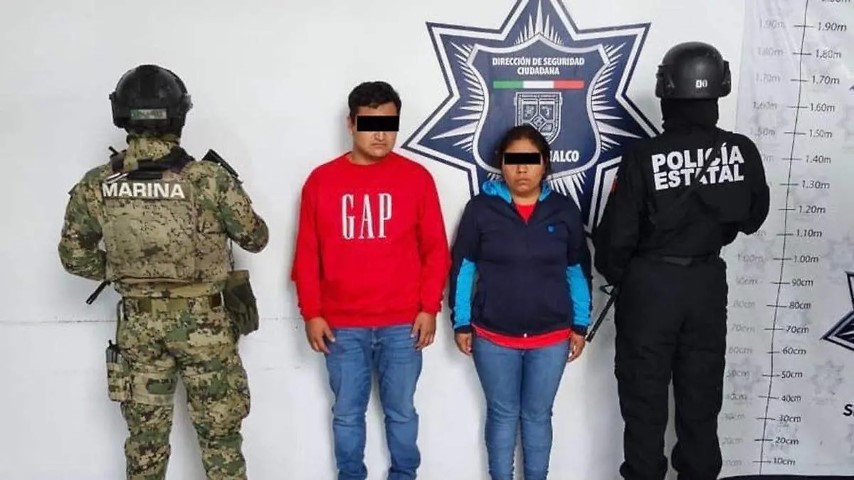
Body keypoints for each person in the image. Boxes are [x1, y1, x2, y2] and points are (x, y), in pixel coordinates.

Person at [58, 64, 269, 480]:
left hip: (139, 329)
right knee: (220, 439)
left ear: (121, 115)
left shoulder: (98, 183)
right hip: (205, 328)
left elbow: (73, 256)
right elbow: (255, 238)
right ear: (179, 115)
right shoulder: (209, 180)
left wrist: (123, 269)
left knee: (145, 443)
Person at [593, 42, 770, 480]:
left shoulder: (642, 157)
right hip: (706, 285)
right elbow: (753, 217)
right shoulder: (741, 150)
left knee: (644, 401)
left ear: (666, 90)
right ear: (720, 87)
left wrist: (630, 275)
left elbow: (614, 242)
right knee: (701, 400)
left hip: (651, 286)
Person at [291, 81, 451, 480]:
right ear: (351, 124)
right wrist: (312, 313)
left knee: (402, 413)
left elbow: (436, 250)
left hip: (403, 324)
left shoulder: (416, 178)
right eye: (369, 124)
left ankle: (404, 475)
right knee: (347, 414)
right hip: (342, 326)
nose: (380, 134)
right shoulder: (322, 181)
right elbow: (307, 255)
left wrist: (428, 307)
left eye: (389, 124)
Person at [448, 124, 592, 480]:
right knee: (502, 415)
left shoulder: (563, 210)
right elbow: (464, 268)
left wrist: (580, 323)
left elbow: (577, 269)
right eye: (513, 160)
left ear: (545, 163)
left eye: (530, 160)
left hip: (551, 338)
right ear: (502, 164)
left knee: (538, 416)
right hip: (493, 337)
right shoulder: (481, 209)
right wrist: (461, 321)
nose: (522, 168)